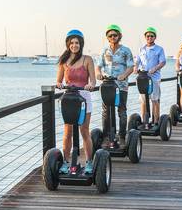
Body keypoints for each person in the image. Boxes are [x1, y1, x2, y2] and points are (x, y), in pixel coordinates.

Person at [56, 29, 96, 174]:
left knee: (84, 131)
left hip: (84, 97)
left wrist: (91, 85)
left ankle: (89, 162)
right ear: (68, 44)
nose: (74, 45)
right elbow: (59, 80)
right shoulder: (63, 61)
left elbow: (93, 80)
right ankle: (66, 162)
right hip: (69, 99)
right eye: (72, 43)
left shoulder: (87, 59)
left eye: (77, 43)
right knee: (67, 133)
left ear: (81, 44)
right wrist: (59, 84)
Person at [96, 24, 134, 147]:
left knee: (121, 111)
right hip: (107, 85)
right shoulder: (104, 50)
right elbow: (98, 66)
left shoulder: (126, 50)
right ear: (107, 37)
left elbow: (131, 67)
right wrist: (98, 74)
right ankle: (106, 137)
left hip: (121, 85)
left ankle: (122, 136)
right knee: (106, 111)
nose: (113, 37)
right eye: (110, 35)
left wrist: (124, 75)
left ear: (119, 36)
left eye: (115, 35)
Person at [134, 27, 166, 129]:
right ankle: (144, 122)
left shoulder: (159, 49)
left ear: (154, 37)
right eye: (147, 36)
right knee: (143, 101)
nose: (149, 37)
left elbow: (163, 62)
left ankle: (156, 122)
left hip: (154, 78)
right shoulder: (141, 49)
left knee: (154, 100)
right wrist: (135, 68)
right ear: (145, 37)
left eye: (151, 36)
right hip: (142, 77)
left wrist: (155, 68)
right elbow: (137, 61)